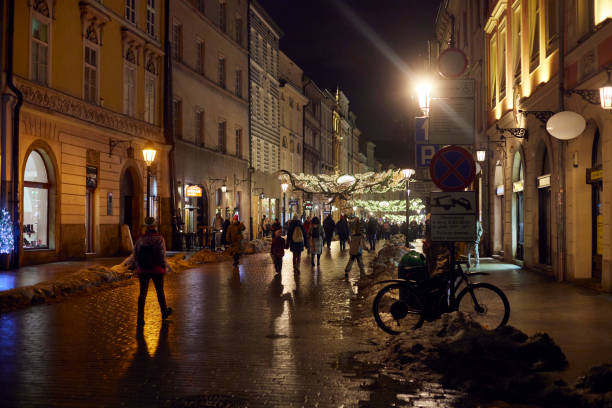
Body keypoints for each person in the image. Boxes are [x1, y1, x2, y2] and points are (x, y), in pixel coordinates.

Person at [134, 217, 172, 327]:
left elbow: (135, 254)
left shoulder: (141, 239)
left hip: (143, 270)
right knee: (160, 291)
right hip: (157, 269)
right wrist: (163, 267)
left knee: (142, 294)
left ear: (146, 227)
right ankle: (164, 312)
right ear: (155, 226)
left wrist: (138, 266)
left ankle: (140, 317)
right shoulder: (159, 239)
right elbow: (162, 255)